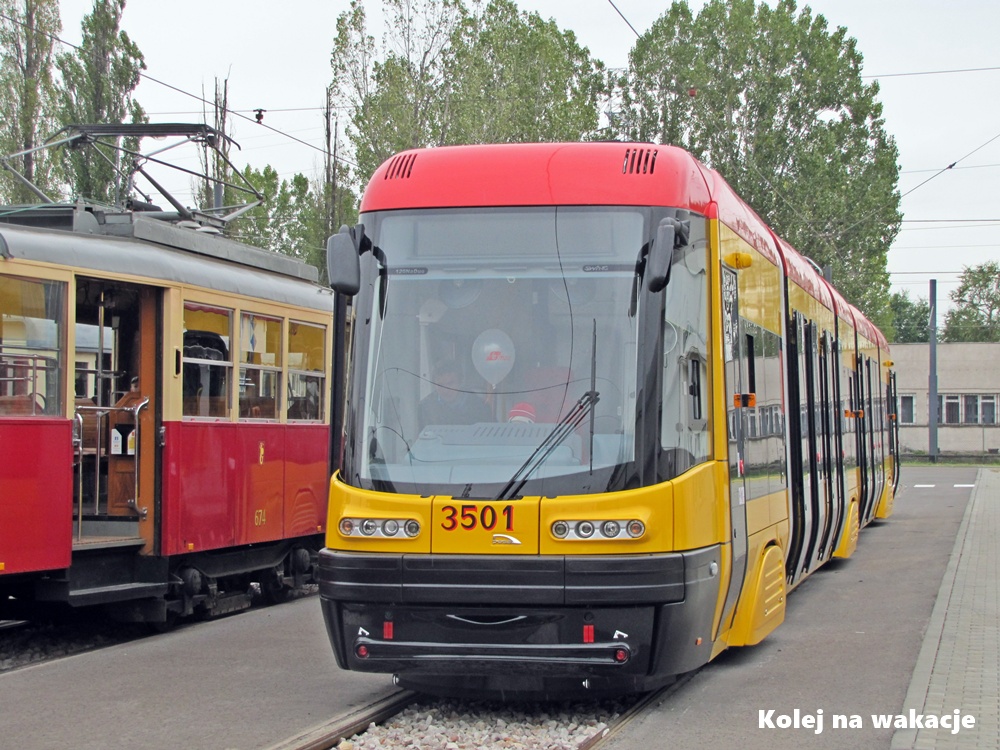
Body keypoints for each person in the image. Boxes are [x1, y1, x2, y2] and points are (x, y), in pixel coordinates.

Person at [418, 359, 491, 427]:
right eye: (440, 385)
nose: (445, 390)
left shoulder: (479, 407)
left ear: (460, 382)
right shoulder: (425, 408)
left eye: (450, 383)